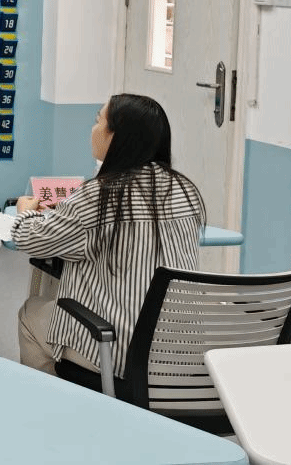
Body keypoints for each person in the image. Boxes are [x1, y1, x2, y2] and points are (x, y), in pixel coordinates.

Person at [12, 93, 205, 378]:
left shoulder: (99, 195)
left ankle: (60, 397)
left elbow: (30, 239)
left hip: (116, 351)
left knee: (31, 313)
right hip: (181, 351)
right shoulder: (185, 190)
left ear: (116, 136)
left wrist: (25, 212)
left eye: (98, 121)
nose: (93, 129)